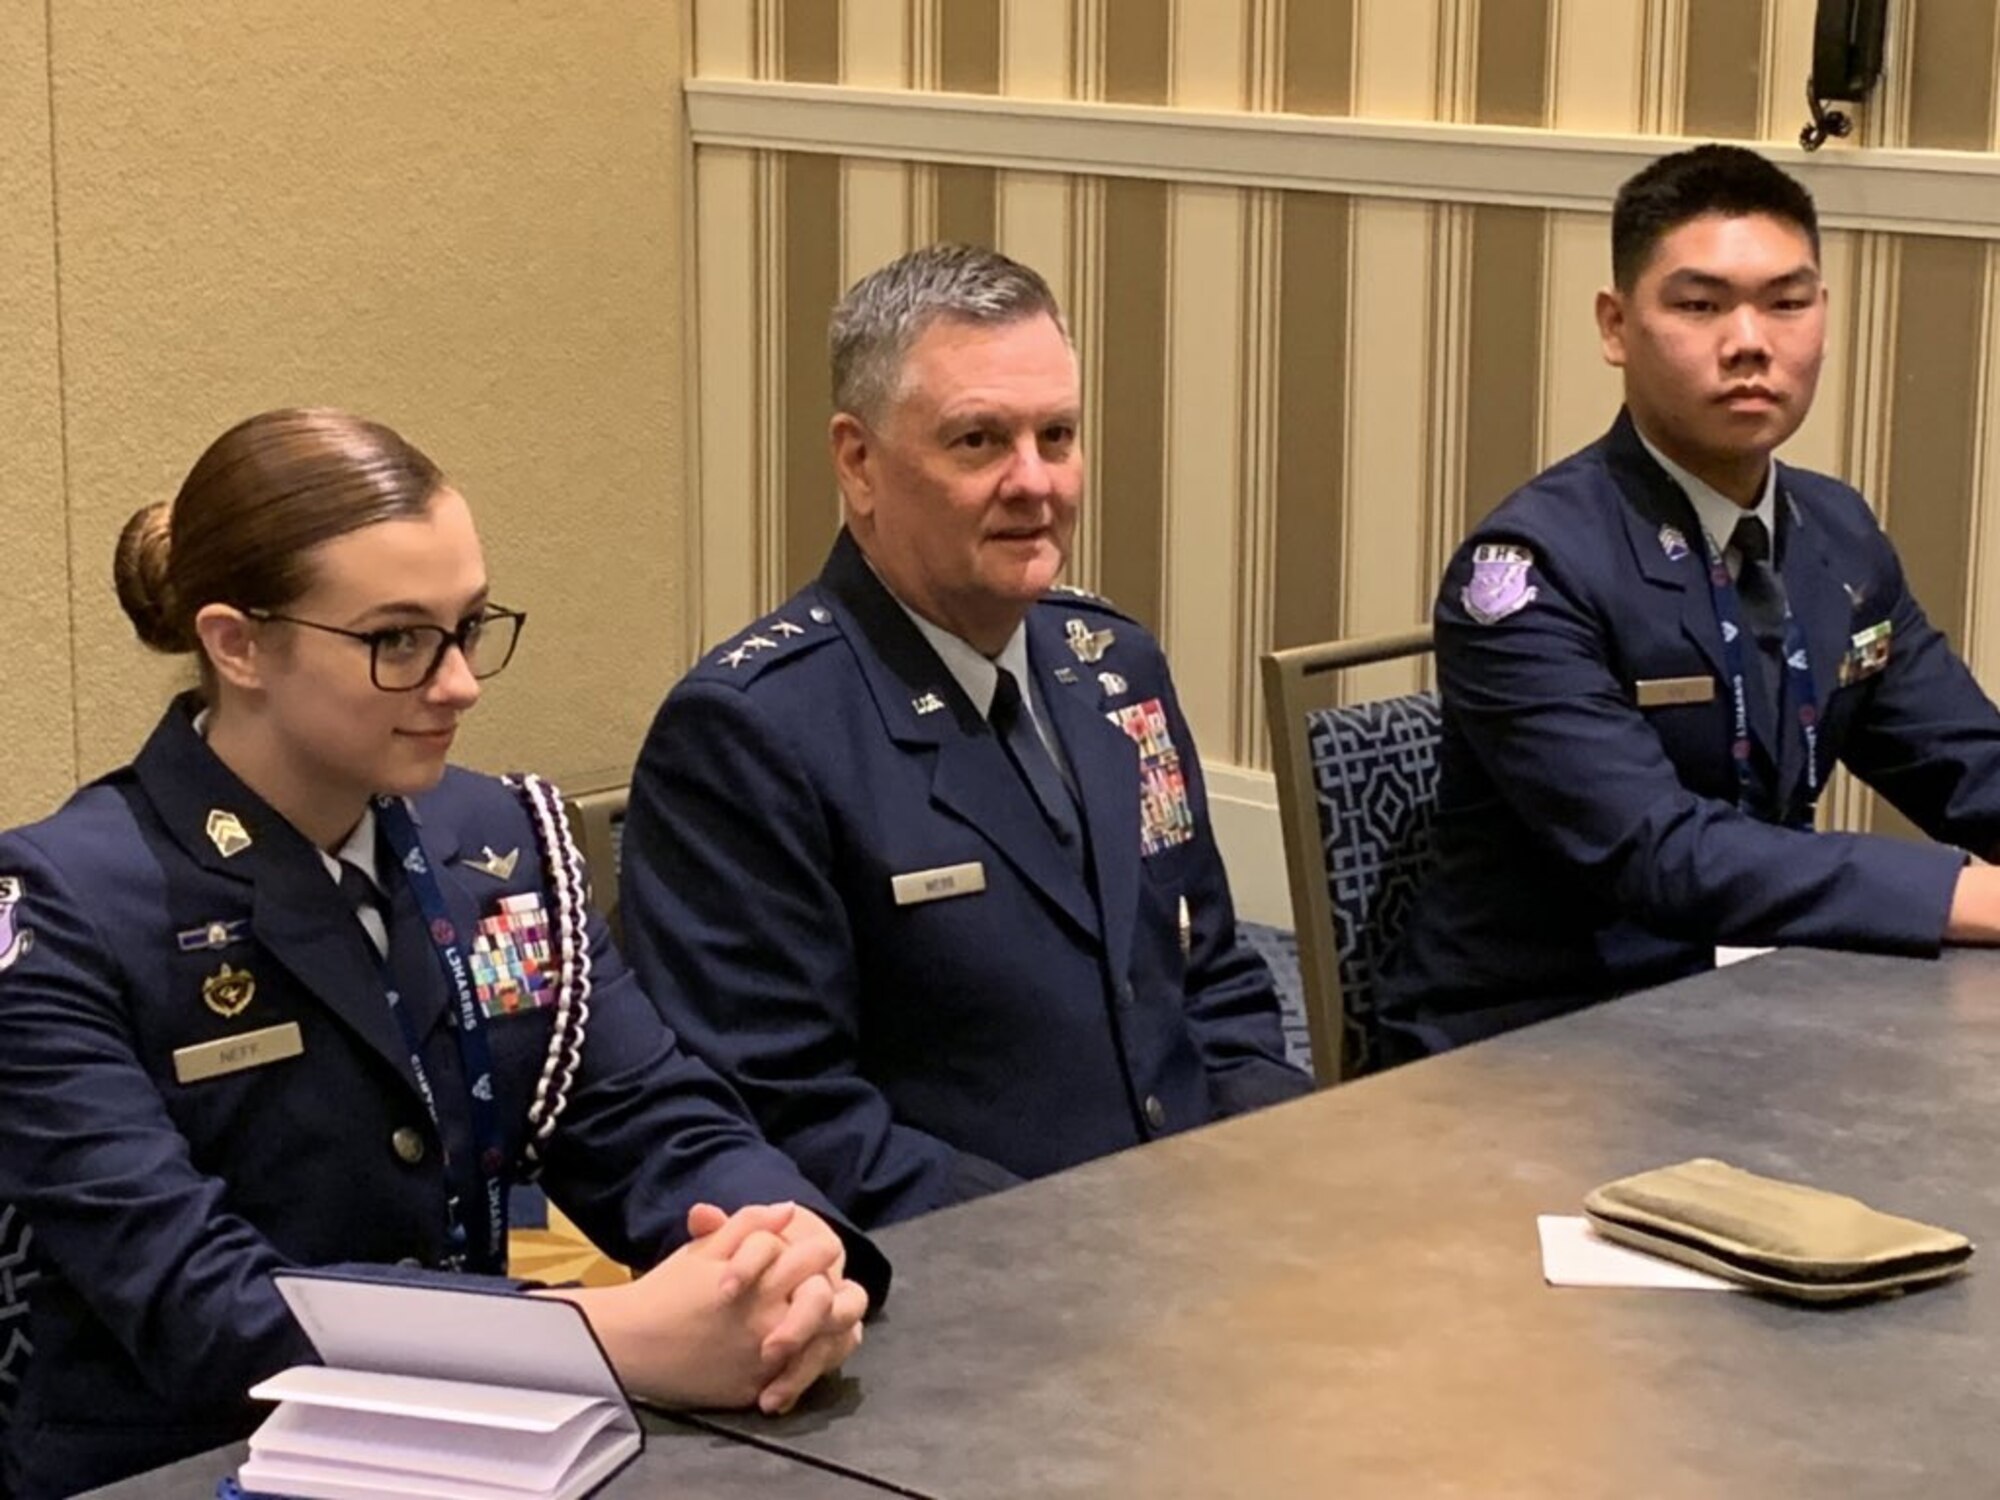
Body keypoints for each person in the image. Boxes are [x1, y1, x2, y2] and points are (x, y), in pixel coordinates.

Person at [0, 409, 888, 1498]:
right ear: (237, 645)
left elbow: (647, 1114)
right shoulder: (65, 906)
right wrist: (603, 1337)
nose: (460, 683)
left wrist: (782, 1249)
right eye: (398, 640)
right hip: (186, 1464)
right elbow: (201, 1308)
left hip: (483, 1457)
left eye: (468, 626)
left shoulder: (499, 840)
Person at [620, 244, 1310, 1230]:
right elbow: (783, 1115)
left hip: (1192, 1247)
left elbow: (1211, 976)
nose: (1034, 483)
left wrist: (1278, 1164)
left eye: (1057, 436)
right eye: (979, 441)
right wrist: (1081, 1245)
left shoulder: (1113, 667)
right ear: (858, 463)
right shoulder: (752, 733)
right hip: (967, 1290)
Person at [1378, 144, 2000, 1058]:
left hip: (1753, 1001)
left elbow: (1961, 757)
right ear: (1617, 324)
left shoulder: (1836, 534)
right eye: (1700, 305)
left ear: (1823, 317)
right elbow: (1654, 852)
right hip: (1540, 1041)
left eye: (1787, 302)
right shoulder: (1530, 569)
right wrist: (1965, 891)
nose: (1750, 341)